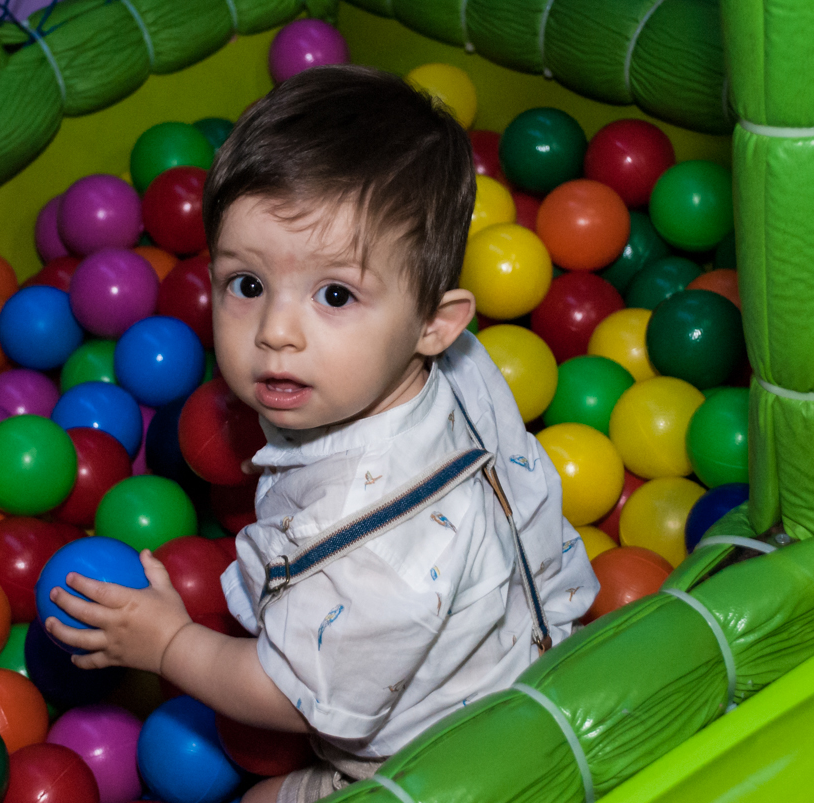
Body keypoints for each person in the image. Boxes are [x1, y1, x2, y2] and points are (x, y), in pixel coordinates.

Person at [44, 65, 598, 803]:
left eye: (335, 294)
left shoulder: (371, 543)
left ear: (436, 322)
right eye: (246, 284)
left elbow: (287, 694)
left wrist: (169, 644)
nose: (275, 332)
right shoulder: (459, 364)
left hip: (462, 766)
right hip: (550, 643)